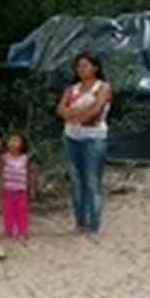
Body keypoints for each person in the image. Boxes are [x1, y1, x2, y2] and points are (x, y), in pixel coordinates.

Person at [56, 52, 112, 236]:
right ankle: (80, 221)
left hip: (93, 139)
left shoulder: (102, 87)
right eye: (79, 66)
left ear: (95, 68)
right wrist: (78, 116)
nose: (81, 69)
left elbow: (96, 110)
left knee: (91, 180)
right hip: (71, 137)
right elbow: (60, 109)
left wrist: (74, 116)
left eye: (85, 65)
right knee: (76, 180)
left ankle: (93, 224)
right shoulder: (72, 89)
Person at [0, 132, 34, 241]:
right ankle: (8, 230)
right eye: (11, 140)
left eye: (16, 141)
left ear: (22, 145)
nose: (13, 143)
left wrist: (31, 187)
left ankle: (22, 230)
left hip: (21, 190)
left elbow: (29, 173)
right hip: (8, 189)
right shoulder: (5, 157)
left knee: (22, 212)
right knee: (8, 211)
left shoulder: (25, 158)